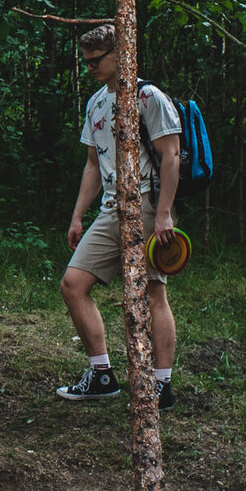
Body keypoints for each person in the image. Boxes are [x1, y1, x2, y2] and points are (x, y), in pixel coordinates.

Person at [55, 23, 184, 410]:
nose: (91, 67)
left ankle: (160, 385)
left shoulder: (149, 97)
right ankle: (101, 375)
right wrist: (78, 216)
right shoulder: (96, 103)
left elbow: (171, 156)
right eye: (87, 61)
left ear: (119, 53)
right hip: (111, 209)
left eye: (97, 60)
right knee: (73, 284)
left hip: (145, 203)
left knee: (152, 292)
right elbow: (93, 164)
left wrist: (163, 215)